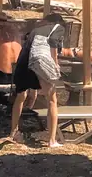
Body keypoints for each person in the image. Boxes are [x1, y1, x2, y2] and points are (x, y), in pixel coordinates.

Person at [10, 15, 66, 147]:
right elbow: (53, 42)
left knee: (20, 97)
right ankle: (52, 140)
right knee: (52, 99)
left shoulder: (35, 31)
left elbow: (28, 49)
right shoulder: (59, 28)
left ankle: (13, 133)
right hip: (38, 64)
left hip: (23, 64)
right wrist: (55, 65)